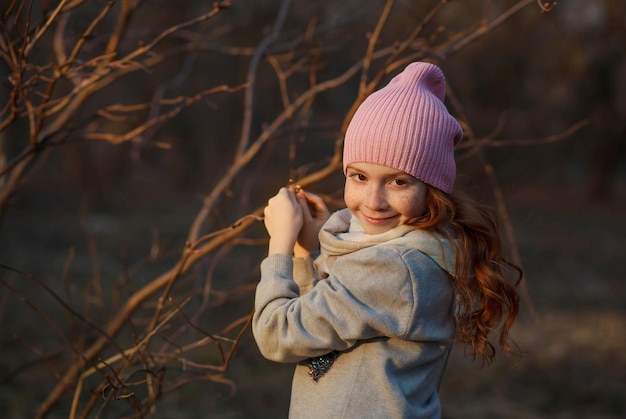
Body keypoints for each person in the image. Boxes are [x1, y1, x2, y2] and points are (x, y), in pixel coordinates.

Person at [252, 62, 520, 418]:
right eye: (360, 176)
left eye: (398, 182)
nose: (374, 201)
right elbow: (321, 330)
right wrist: (306, 252)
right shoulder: (404, 252)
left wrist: (280, 246)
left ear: (432, 189)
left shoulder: (396, 267)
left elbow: (278, 335)